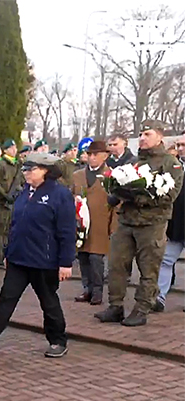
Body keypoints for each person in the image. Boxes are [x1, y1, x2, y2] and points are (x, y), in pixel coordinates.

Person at [0, 153, 76, 358]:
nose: (26, 173)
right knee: (6, 298)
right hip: (19, 258)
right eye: (25, 169)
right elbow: (14, 226)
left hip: (44, 260)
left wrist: (66, 262)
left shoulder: (60, 195)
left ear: (46, 171)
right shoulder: (24, 193)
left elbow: (67, 231)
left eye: (31, 169)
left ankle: (58, 340)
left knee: (48, 301)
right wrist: (8, 252)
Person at [95, 120, 184, 326]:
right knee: (117, 265)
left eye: (148, 134)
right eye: (141, 134)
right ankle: (115, 306)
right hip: (126, 222)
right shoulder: (134, 162)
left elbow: (168, 196)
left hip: (152, 224)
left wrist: (135, 196)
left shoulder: (171, 164)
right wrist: (115, 193)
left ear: (160, 137)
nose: (142, 138)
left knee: (149, 269)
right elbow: (120, 184)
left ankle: (142, 309)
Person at [71, 140, 117, 306]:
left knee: (96, 259)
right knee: (82, 257)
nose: (91, 158)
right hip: (81, 224)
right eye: (89, 154)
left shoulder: (111, 176)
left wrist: (113, 228)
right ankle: (87, 289)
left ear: (105, 156)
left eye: (95, 154)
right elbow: (70, 197)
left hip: (100, 224)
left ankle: (97, 291)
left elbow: (117, 205)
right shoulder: (77, 175)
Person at [154, 137, 185, 312]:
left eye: (184, 145)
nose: (180, 149)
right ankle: (159, 297)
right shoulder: (172, 168)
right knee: (165, 260)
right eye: (178, 145)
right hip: (176, 224)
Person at [0, 139, 23, 265]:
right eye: (11, 148)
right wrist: (5, 195)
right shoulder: (1, 164)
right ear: (5, 150)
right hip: (1, 202)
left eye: (15, 147)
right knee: (0, 231)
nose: (14, 150)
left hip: (13, 202)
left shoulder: (17, 165)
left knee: (9, 231)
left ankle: (6, 255)